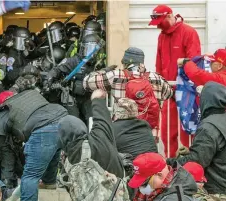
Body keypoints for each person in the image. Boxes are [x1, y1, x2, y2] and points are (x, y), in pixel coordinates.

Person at [83, 47, 173, 138]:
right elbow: (169, 94)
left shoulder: (116, 75)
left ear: (125, 63)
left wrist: (104, 71)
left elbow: (86, 83)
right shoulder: (155, 78)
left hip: (122, 132)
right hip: (149, 133)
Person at [0, 89, 68, 201]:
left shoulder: (6, 109)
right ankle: (49, 182)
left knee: (30, 176)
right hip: (64, 119)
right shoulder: (29, 95)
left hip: (44, 128)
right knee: (53, 150)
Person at [149, 4, 201, 158]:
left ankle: (190, 167)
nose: (158, 27)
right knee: (167, 132)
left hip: (186, 93)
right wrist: (159, 85)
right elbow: (159, 63)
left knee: (186, 133)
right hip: (169, 92)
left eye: (160, 23)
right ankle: (171, 165)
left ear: (170, 16)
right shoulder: (162, 36)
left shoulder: (189, 33)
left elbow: (194, 62)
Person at [167, 82, 226, 199]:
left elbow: (197, 161)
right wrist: (191, 151)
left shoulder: (209, 126)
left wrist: (170, 163)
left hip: (215, 190)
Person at [58, 90, 125, 178]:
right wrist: (97, 100)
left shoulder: (69, 162)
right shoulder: (99, 138)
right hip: (117, 188)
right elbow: (102, 119)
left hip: (93, 191)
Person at [129, 153, 197, 200]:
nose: (140, 188)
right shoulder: (158, 190)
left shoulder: (175, 198)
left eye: (145, 184)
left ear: (159, 175)